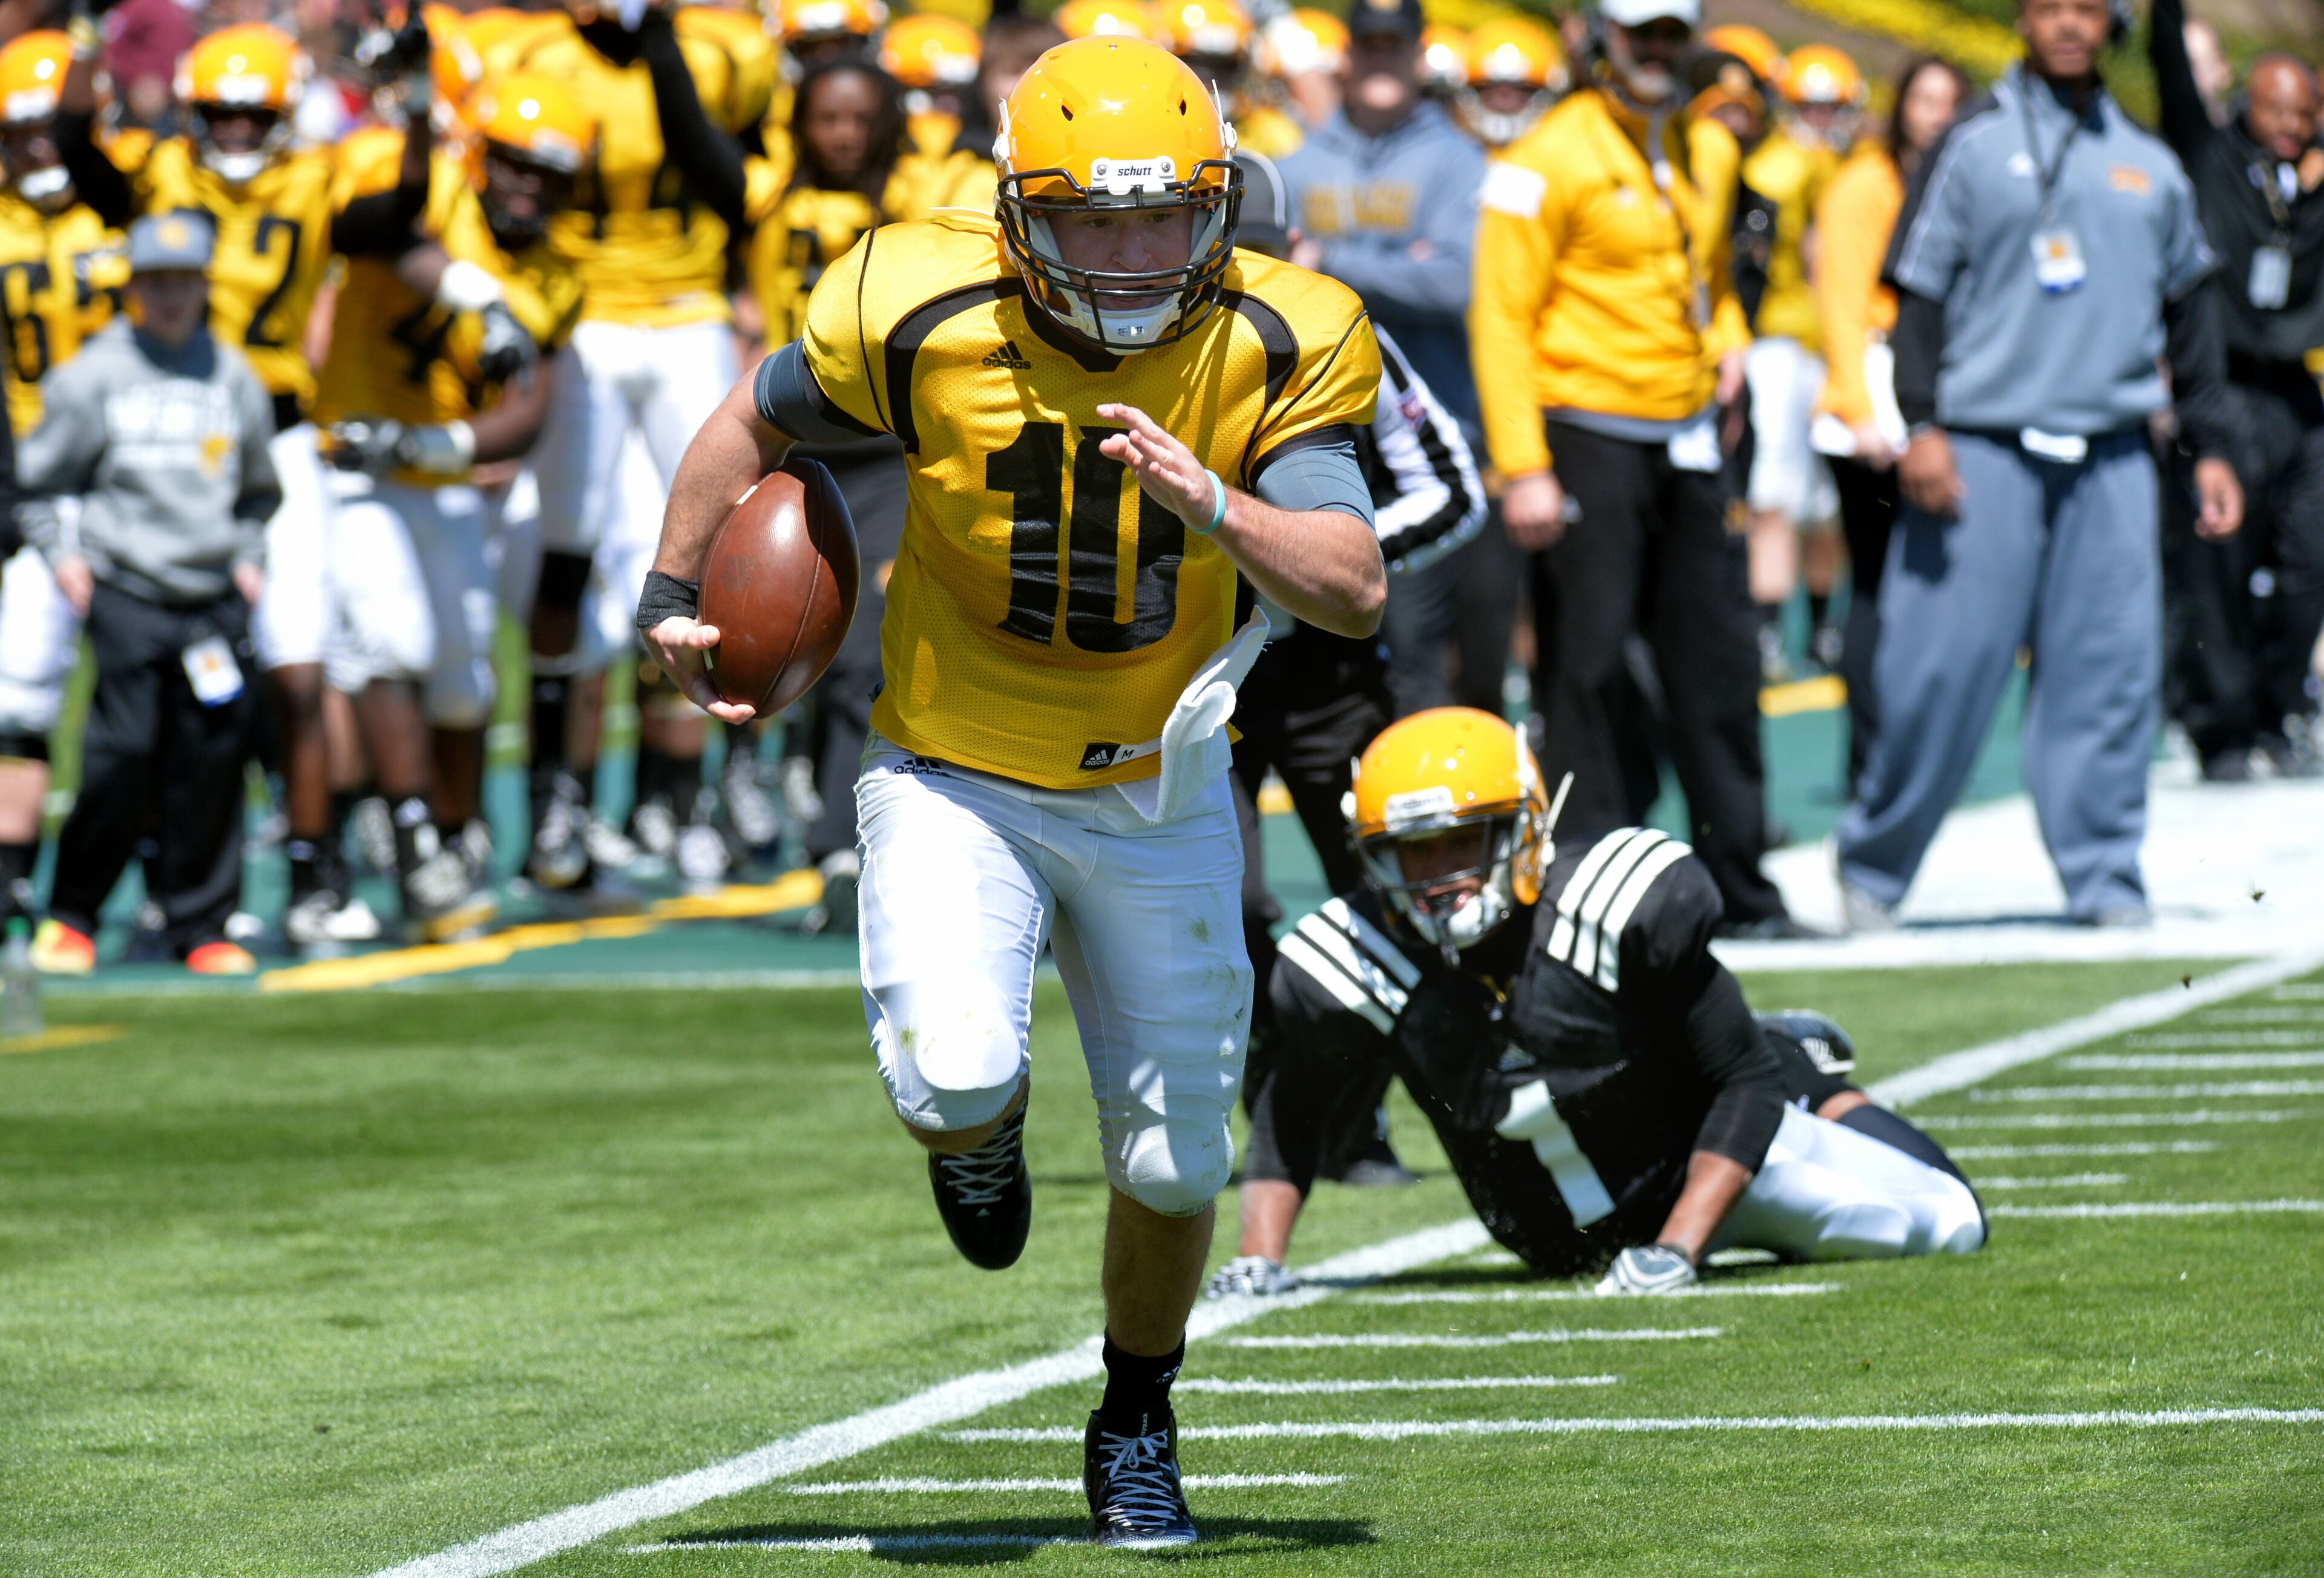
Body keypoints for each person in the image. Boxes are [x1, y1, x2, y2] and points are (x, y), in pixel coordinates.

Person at [640, 37, 1384, 1545]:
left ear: (1214, 205)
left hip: (1157, 780)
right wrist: (668, 592)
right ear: (1016, 216)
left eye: (1159, 218)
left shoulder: (1280, 330)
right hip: (952, 768)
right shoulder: (911, 296)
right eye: (1088, 222)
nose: (1125, 257)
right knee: (960, 1070)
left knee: (1177, 1158)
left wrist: (1212, 502)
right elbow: (748, 423)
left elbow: (1353, 587)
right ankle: (974, 1135)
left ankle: (1133, 1414)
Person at [1209, 709, 1986, 1295]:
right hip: (1556, 1236)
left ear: (1525, 828)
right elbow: (1293, 1113)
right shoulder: (1355, 959)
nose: (1438, 872)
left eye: (1461, 841)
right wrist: (1259, 1261)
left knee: (1950, 1219)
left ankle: (1810, 1071)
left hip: (1714, 1161)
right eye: (1413, 849)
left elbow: (1742, 1085)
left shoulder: (1618, 907)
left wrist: (1676, 1249)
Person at [1842, 0, 2242, 931]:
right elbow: (1919, 299)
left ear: (2111, 24)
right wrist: (1925, 426)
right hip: (1984, 449)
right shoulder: (1972, 144)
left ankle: (2104, 874)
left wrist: (2212, 446)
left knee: (2110, 675)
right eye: (2048, 6)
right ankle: (1876, 863)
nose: (2068, 24)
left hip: (2112, 458)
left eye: (2086, 8)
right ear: (2022, 19)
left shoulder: (2150, 160)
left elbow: (2193, 319)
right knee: (1938, 670)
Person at [1468, 0, 1800, 937]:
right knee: (1592, 665)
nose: (1655, 52)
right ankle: (1593, 893)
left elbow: (1714, 280)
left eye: (1669, 35)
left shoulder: (1707, 147)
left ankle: (1742, 884)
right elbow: (1499, 317)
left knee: (1722, 660)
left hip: (1690, 431)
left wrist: (1728, 340)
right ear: (1595, 36)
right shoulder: (1539, 159)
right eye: (1637, 33)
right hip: (1585, 433)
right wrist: (1522, 464)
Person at [471, 0, 773, 896]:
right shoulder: (525, 52)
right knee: (566, 554)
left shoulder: (728, 51)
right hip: (584, 313)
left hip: (688, 315)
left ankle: (678, 800)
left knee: (707, 551)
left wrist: (661, 44)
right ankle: (558, 799)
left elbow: (740, 190)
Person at [1230, 147, 1483, 1190]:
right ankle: (1263, 1119)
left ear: (1298, 250)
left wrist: (1324, 561)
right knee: (1223, 907)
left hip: (1327, 670)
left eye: (1252, 258)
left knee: (1380, 888)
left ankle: (1362, 1116)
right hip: (1183, 676)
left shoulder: (1339, 331)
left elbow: (1453, 486)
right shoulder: (1132, 339)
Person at [317, 70, 596, 942]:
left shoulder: (552, 268)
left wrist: (429, 447)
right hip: (351, 462)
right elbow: (385, 233)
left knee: (466, 676)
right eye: (515, 167)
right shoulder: (424, 188)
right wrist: (474, 294)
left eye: (547, 178)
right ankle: (409, 844)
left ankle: (456, 831)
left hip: (429, 469)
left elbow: (528, 412)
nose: (527, 190)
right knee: (388, 644)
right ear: (480, 154)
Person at [740, 55, 987, 928]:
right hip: (791, 430)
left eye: (858, 120)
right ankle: (763, 785)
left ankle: (845, 839)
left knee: (865, 638)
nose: (842, 136)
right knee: (768, 624)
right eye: (825, 119)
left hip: (881, 441)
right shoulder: (769, 191)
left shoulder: (930, 189)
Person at [22, 214, 280, 976]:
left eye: (185, 283)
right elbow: (40, 484)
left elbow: (261, 492)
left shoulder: (231, 374)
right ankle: (72, 914)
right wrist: (64, 556)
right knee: (120, 752)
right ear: (133, 289)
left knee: (211, 756)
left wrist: (250, 557)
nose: (171, 298)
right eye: (156, 283)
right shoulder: (92, 375)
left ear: (206, 288)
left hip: (210, 594)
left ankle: (199, 921)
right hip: (127, 588)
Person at [1280, 0, 1498, 724]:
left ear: (1417, 52)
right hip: (1321, 431)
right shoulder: (1299, 161)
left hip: (1430, 437)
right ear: (1347, 54)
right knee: (1329, 662)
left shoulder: (1459, 159)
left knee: (1422, 651)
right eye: (1367, 44)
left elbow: (1456, 281)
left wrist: (1328, 261)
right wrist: (1401, 260)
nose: (1380, 58)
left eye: (1393, 44)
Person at [2149, 0, 2324, 781]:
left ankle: (2278, 707)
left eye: (2304, 112)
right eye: (2275, 109)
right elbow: (2172, 71)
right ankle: (2219, 728)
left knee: (2310, 556)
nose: (2289, 123)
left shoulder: (2313, 183)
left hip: (2296, 392)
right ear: (2245, 108)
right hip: (2220, 388)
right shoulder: (2207, 154)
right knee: (2218, 562)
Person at [0, 28, 127, 945]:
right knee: (20, 690)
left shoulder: (130, 207)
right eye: (20, 131)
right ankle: (11, 883)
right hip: (37, 478)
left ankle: (171, 877)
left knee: (165, 693)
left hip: (145, 476)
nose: (38, 147)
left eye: (53, 128)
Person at [1812, 56, 1967, 786]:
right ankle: (1869, 758)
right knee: (1875, 582)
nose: (1935, 114)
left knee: (1936, 591)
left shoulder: (1961, 181)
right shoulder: (1864, 185)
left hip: (1946, 393)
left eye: (1950, 101)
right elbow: (1841, 299)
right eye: (1924, 99)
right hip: (1873, 398)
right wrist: (1860, 406)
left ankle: (1918, 753)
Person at [1739, 44, 1862, 682]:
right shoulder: (1782, 167)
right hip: (1780, 345)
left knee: (1825, 501)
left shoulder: (1849, 165)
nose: (1819, 117)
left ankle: (1821, 628)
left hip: (1835, 344)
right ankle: (1770, 631)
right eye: (1810, 105)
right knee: (1775, 496)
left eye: (1831, 105)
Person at [1456, 16, 1566, 151]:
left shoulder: (1561, 154)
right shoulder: (1448, 154)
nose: (1503, 101)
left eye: (1521, 89)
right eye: (1489, 88)